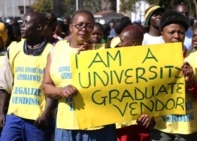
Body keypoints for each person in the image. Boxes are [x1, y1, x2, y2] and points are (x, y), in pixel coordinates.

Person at [42, 9, 117, 141]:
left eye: (89, 26)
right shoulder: (57, 50)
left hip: (98, 126)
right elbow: (46, 86)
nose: (84, 29)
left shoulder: (104, 52)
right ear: (71, 28)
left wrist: (90, 57)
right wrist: (61, 91)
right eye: (79, 25)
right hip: (66, 126)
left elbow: (117, 85)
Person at [138, 9, 197, 141]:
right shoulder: (151, 59)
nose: (176, 36)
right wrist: (145, 115)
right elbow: (145, 93)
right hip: (161, 127)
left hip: (188, 128)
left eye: (181, 32)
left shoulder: (196, 58)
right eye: (171, 32)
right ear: (162, 34)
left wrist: (191, 83)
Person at [0, 11, 56, 141]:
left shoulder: (51, 52)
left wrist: (46, 114)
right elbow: (4, 84)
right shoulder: (14, 49)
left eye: (26, 23)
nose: (22, 26)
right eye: (22, 22)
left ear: (39, 28)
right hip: (14, 117)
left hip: (38, 120)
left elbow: (53, 87)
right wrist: (1, 112)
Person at [115, 24, 150, 141]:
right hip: (121, 123)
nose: (119, 44)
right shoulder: (114, 62)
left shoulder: (150, 64)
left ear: (133, 43)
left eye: (122, 41)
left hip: (143, 123)